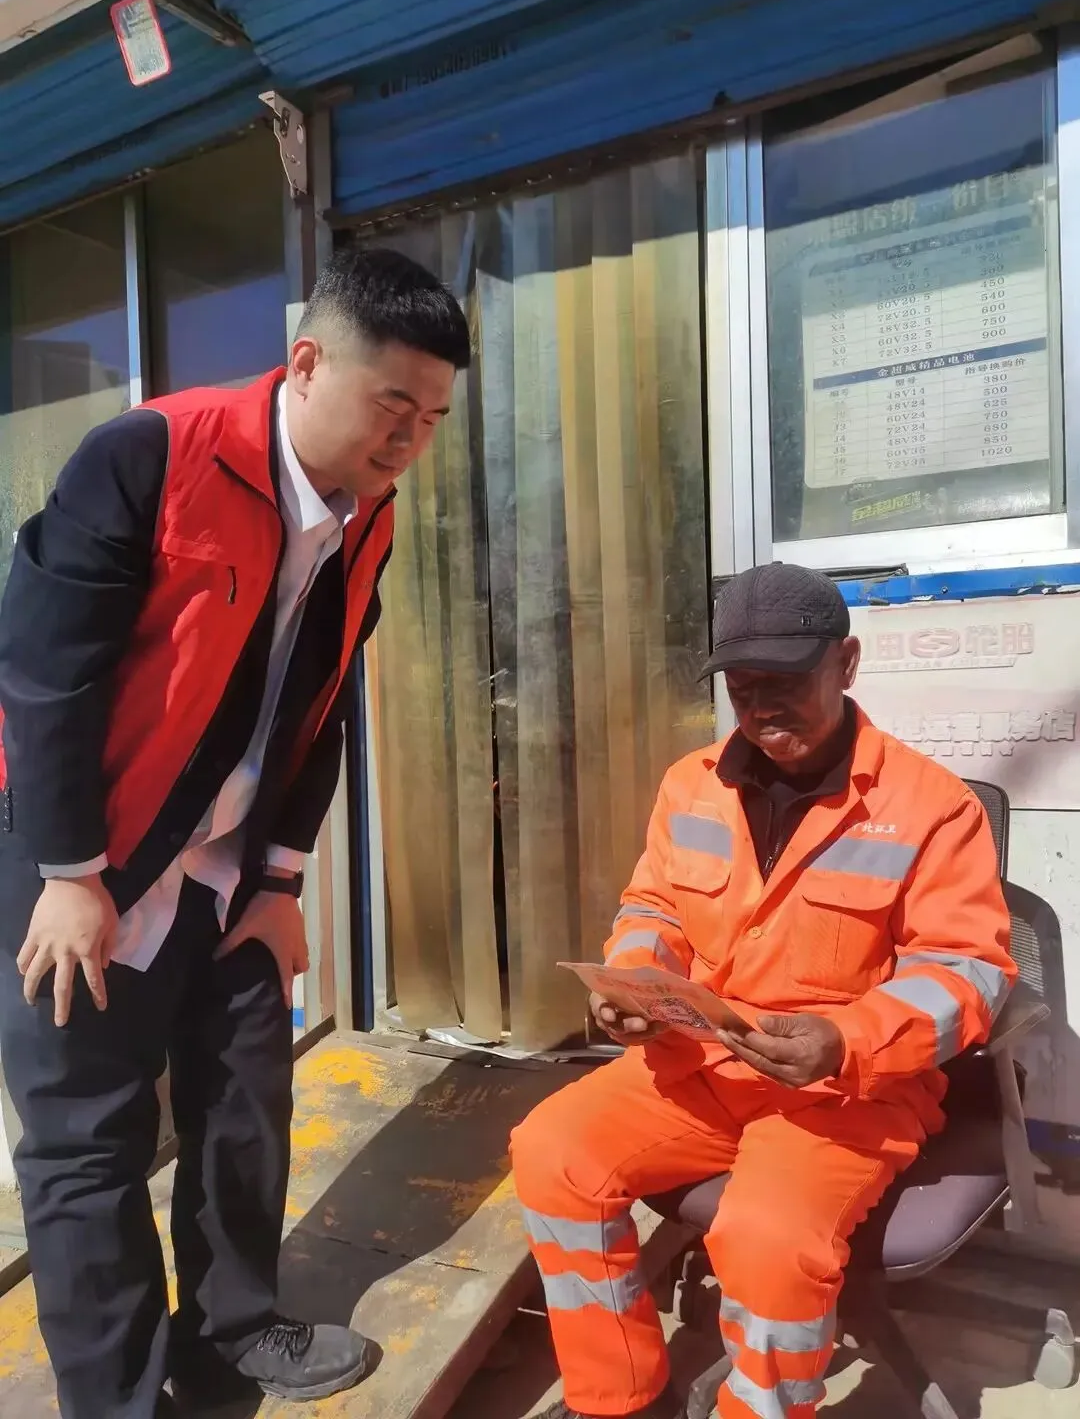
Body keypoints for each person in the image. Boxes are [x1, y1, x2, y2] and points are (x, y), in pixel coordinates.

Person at [0, 247, 470, 1418]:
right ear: (306, 363)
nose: (410, 437)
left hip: (223, 863)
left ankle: (232, 1332)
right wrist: (69, 875)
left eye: (433, 416)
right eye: (393, 403)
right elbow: (44, 675)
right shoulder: (152, 456)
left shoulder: (366, 515)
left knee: (245, 1093)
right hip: (81, 856)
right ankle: (116, 1398)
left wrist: (281, 880)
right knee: (88, 1141)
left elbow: (324, 700)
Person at [510, 562, 1016, 1419]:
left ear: (846, 664)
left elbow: (968, 972)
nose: (761, 710)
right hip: (698, 1070)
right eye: (742, 689)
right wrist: (634, 982)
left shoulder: (932, 807)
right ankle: (619, 1398)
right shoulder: (692, 783)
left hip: (844, 1094)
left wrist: (846, 1041)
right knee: (552, 1152)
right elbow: (654, 907)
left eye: (784, 684)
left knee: (767, 1238)